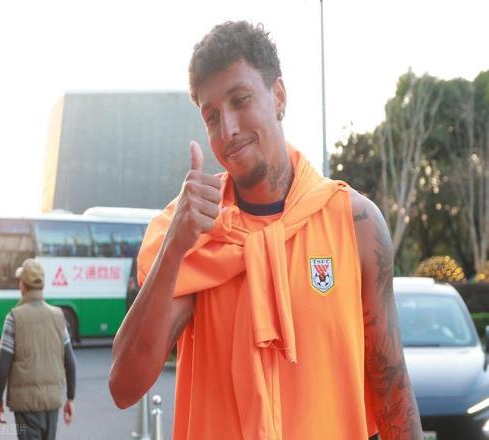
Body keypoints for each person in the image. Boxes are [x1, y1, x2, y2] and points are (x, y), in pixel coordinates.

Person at [109, 21, 422, 439]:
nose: (228, 129)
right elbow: (124, 386)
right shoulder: (191, 232)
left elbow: (392, 384)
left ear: (278, 96)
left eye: (240, 100)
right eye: (212, 116)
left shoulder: (354, 222)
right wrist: (173, 248)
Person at [0, 258, 76, 440]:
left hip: (25, 406)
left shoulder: (14, 318)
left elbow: (3, 366)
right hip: (52, 402)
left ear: (22, 286)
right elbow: (70, 362)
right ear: (42, 286)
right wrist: (70, 398)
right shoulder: (58, 316)